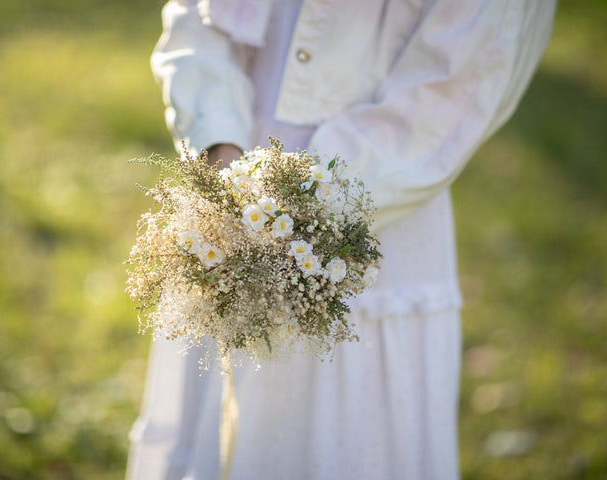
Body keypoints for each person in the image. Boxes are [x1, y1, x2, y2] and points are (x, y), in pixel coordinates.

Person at [127, 0, 556, 478]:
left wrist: (293, 213)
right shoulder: (229, 200)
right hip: (233, 181)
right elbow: (199, 20)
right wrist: (223, 158)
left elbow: (459, 82)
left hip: (381, 201)